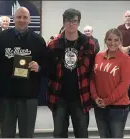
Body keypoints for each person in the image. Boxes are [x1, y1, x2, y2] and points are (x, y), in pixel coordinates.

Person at [0, 7, 48, 138]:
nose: (22, 20)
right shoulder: (1, 39)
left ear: (29, 19)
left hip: (29, 97)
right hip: (6, 96)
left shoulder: (38, 40)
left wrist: (39, 67)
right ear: (13, 18)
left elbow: (48, 66)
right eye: (19, 17)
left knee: (27, 135)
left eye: (25, 17)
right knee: (6, 134)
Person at [47, 8, 96, 138]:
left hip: (80, 96)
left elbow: (92, 70)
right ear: (63, 23)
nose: (71, 24)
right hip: (59, 97)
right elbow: (48, 69)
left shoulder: (89, 44)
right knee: (59, 134)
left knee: (81, 134)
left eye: (74, 21)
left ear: (78, 23)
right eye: (68, 21)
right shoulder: (53, 44)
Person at [90, 28, 130, 138]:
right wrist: (95, 97)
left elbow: (124, 85)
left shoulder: (125, 59)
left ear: (120, 41)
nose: (112, 43)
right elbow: (92, 79)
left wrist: (107, 101)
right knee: (103, 136)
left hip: (118, 107)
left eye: (116, 40)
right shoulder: (98, 56)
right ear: (105, 40)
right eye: (109, 39)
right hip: (99, 105)